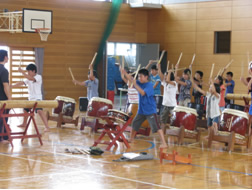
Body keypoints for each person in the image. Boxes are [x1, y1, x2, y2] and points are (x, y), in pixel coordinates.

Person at [121, 68, 167, 148]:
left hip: (150, 110)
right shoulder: (139, 82)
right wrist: (125, 73)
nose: (139, 78)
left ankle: (164, 143)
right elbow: (131, 79)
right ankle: (131, 139)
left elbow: (142, 93)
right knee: (135, 123)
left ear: (146, 77)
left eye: (141, 77)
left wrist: (135, 84)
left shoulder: (149, 85)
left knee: (156, 127)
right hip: (141, 110)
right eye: (138, 77)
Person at [11, 64, 50, 132]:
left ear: (33, 71)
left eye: (29, 71)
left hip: (38, 98)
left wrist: (22, 72)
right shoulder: (28, 79)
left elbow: (30, 79)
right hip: (30, 98)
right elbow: (21, 83)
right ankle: (24, 123)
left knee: (39, 111)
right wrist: (12, 86)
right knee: (25, 109)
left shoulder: (38, 77)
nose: (28, 73)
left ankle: (47, 127)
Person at [157, 63, 177, 133]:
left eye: (166, 75)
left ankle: (173, 133)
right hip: (165, 104)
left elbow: (168, 80)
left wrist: (170, 72)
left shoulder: (174, 83)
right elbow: (161, 76)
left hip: (172, 105)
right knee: (163, 120)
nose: (165, 77)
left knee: (174, 120)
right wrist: (159, 68)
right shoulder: (165, 83)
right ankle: (162, 133)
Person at [0, 50, 11, 143]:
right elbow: (5, 86)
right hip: (2, 99)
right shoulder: (4, 70)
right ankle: (1, 137)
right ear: (5, 58)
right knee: (3, 117)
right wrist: (10, 99)